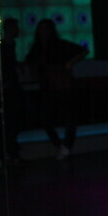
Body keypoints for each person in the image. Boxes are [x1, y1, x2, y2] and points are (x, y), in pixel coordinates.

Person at [25, 18, 88, 159]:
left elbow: (83, 51)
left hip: (63, 84)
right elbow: (29, 61)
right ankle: (61, 145)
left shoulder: (59, 45)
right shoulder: (37, 48)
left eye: (46, 29)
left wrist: (70, 63)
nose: (44, 32)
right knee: (47, 119)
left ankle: (65, 146)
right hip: (48, 86)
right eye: (41, 28)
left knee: (68, 117)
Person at [0, 18, 23, 165]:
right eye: (15, 28)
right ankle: (9, 153)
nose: (17, 31)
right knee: (10, 121)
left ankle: (10, 152)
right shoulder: (3, 46)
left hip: (11, 87)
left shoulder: (10, 45)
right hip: (7, 88)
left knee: (13, 120)